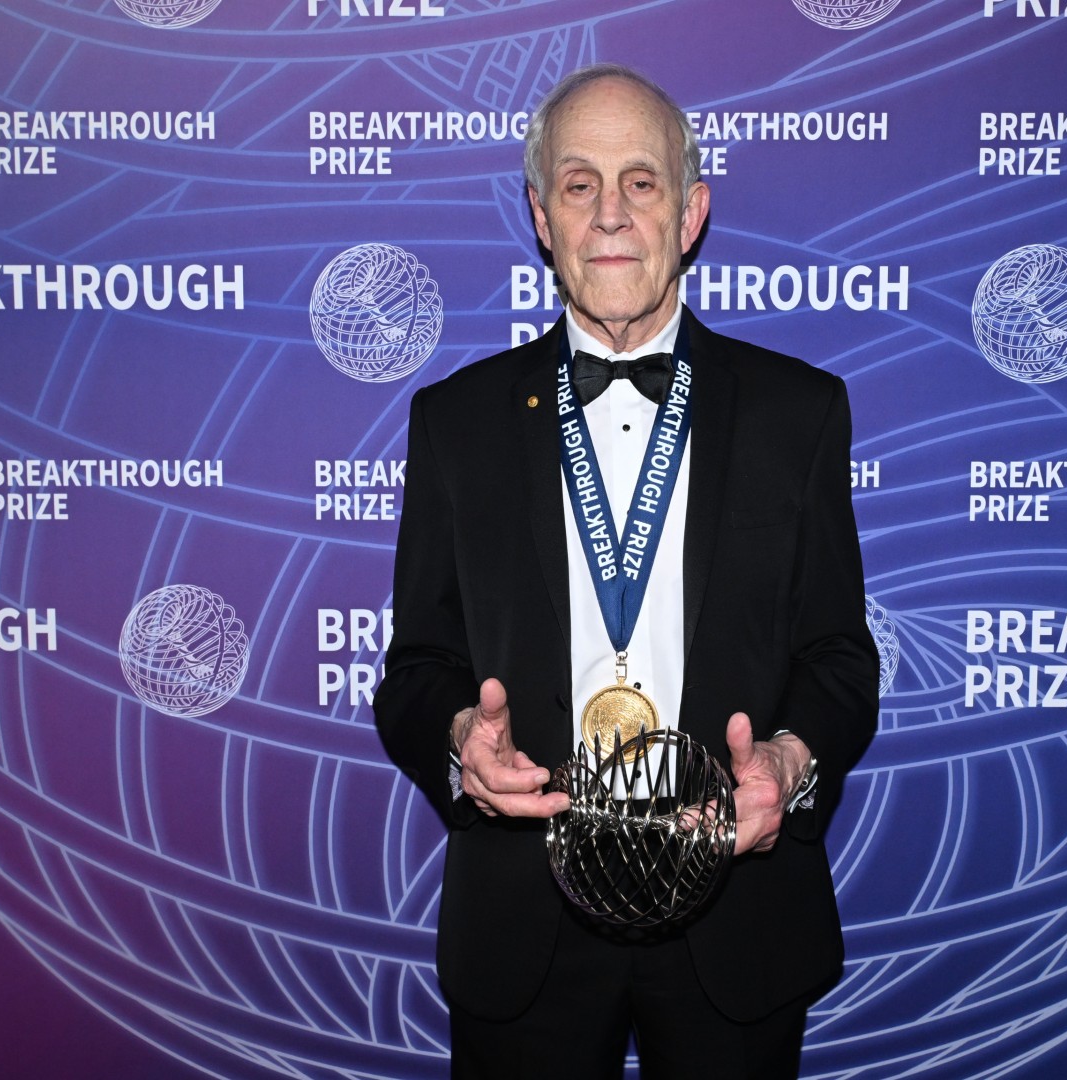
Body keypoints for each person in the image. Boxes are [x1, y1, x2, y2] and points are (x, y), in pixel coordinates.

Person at [375, 62, 877, 1079]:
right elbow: (415, 669)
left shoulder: (800, 416)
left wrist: (787, 761)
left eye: (641, 182)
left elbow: (838, 659)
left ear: (690, 213)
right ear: (541, 216)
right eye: (578, 184)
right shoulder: (455, 424)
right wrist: (460, 739)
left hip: (736, 924)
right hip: (524, 928)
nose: (610, 214)